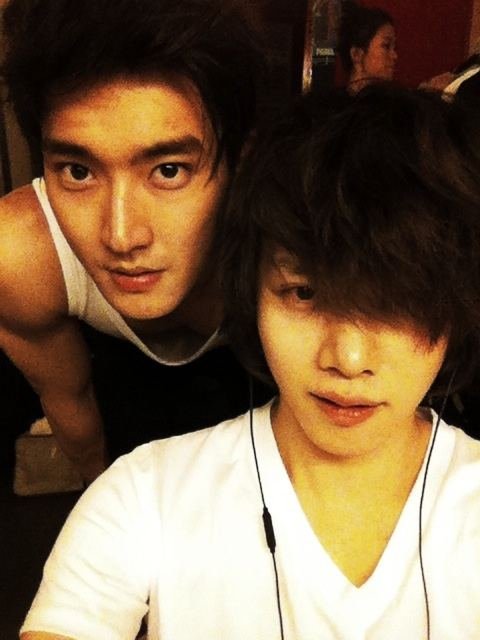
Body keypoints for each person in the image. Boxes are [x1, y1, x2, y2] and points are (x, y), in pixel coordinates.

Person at [19, 85, 480, 639]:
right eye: (303, 294)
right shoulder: (144, 495)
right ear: (252, 292)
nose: (349, 358)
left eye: (398, 303)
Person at [0, 0, 266, 484]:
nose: (121, 236)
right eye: (78, 171)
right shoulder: (19, 255)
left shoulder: (292, 251)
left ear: (240, 163)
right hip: (113, 367)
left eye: (169, 170)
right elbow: (74, 411)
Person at [337, 1, 397, 94]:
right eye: (386, 46)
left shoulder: (395, 99)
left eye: (394, 48)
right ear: (356, 54)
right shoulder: (329, 102)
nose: (395, 56)